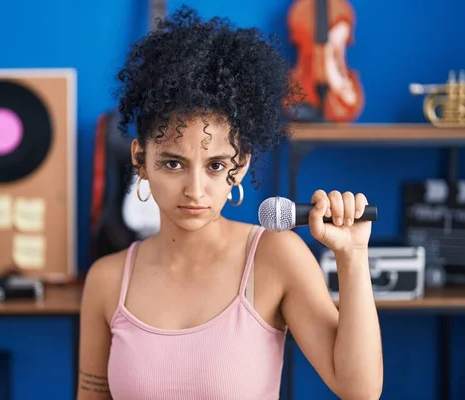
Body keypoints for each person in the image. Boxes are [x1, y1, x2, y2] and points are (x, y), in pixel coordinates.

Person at [78, 6, 383, 400]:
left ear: (240, 167)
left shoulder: (276, 257)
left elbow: (360, 390)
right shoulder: (106, 281)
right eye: (173, 163)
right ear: (141, 160)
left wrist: (354, 256)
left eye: (216, 165)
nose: (195, 189)